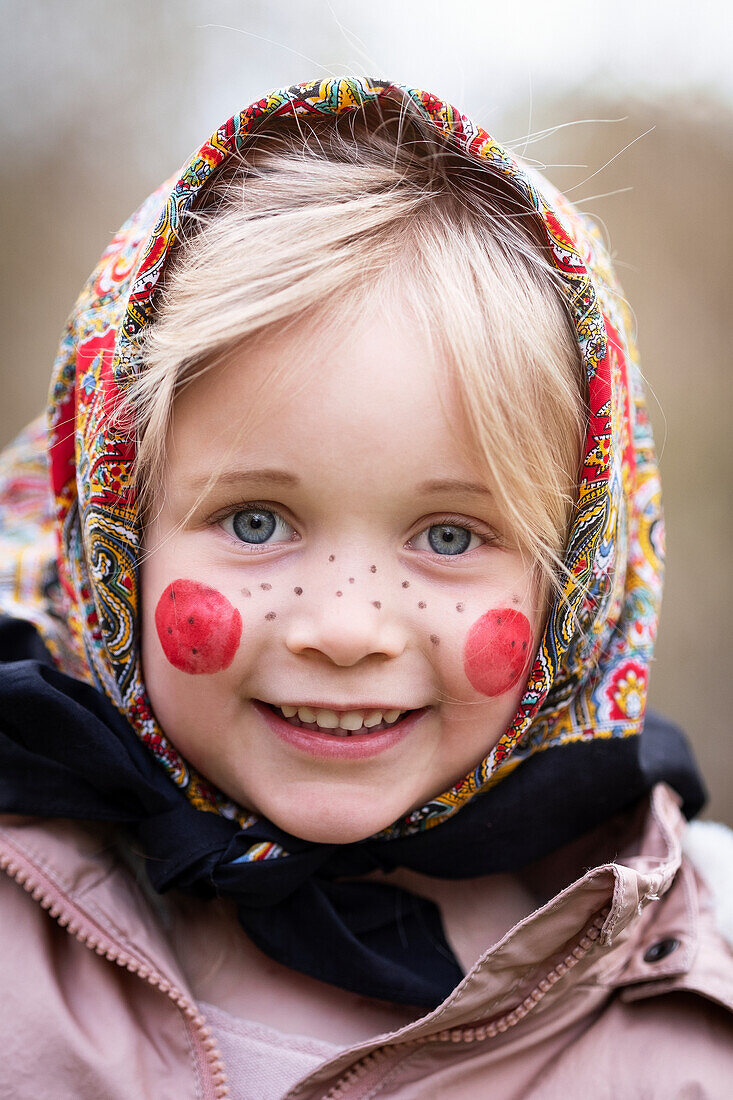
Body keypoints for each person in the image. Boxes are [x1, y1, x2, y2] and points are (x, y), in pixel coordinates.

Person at [0, 77, 731, 1099]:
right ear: (115, 533)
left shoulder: (693, 1010)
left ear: (578, 577)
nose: (345, 628)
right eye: (255, 520)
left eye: (447, 533)